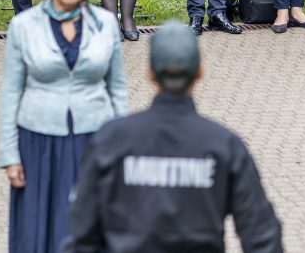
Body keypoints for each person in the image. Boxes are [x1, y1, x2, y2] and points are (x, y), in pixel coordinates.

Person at [63, 22, 283, 252]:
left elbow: (82, 232)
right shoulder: (224, 145)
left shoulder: (111, 139)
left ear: (149, 73)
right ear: (200, 71)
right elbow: (262, 236)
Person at [0, 0, 127, 253]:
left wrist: (124, 147)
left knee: (89, 222)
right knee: (37, 224)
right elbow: (11, 92)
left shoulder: (106, 24)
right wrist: (9, 154)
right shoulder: (24, 26)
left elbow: (117, 88)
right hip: (38, 140)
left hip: (92, 138)